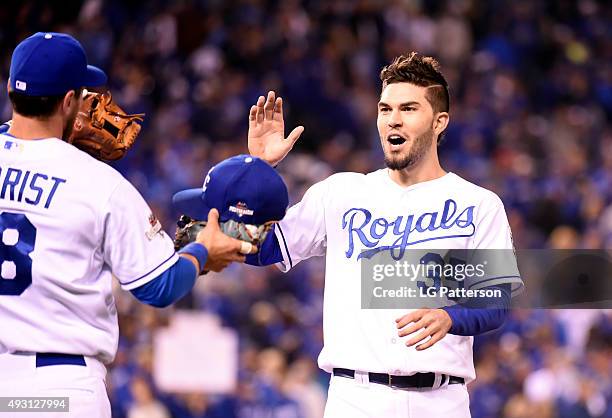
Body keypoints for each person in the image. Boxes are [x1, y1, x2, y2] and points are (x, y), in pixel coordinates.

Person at [242, 52, 524, 417]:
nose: (393, 120)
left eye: (408, 109)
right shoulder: (341, 192)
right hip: (355, 399)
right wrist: (256, 170)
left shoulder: (478, 203)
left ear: (440, 122)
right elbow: (260, 249)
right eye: (385, 109)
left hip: (440, 402)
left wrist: (452, 317)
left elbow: (496, 299)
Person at [0, 32, 256, 418]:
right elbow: (161, 285)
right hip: (58, 391)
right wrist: (203, 251)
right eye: (83, 93)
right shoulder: (98, 183)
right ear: (69, 100)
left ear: (10, 89)